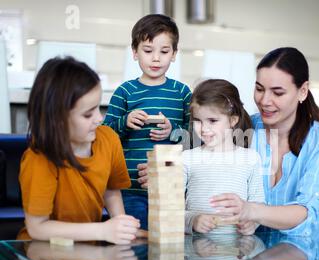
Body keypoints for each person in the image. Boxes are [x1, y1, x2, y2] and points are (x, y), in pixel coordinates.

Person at [208, 47, 319, 236]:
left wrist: (251, 211)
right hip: (258, 240)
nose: (265, 100)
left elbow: (309, 210)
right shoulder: (243, 130)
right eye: (259, 89)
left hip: (317, 238)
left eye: (278, 93)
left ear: (302, 91)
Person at [17, 57, 141, 245]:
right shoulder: (39, 158)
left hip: (87, 249)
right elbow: (37, 228)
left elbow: (111, 190)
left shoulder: (108, 139)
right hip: (44, 252)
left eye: (99, 108)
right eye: (87, 114)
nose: (99, 118)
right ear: (57, 119)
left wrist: (121, 227)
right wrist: (102, 230)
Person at [103, 14, 191, 230]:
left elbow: (196, 140)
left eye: (164, 51)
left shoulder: (182, 93)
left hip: (170, 188)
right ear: (134, 52)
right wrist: (124, 122)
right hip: (129, 190)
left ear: (174, 54)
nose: (156, 59)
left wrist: (173, 132)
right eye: (148, 50)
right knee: (136, 243)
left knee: (169, 243)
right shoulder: (125, 92)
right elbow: (103, 138)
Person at [183, 79, 265, 235]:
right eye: (198, 121)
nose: (204, 129)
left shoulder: (251, 158)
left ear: (233, 120)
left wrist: (252, 223)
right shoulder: (187, 158)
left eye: (212, 121)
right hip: (196, 251)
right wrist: (193, 220)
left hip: (238, 252)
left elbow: (258, 204)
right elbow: (170, 211)